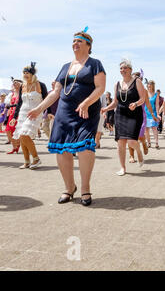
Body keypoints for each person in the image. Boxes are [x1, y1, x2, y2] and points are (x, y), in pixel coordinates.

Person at [28, 28, 106, 207]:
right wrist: (39, 109)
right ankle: (69, 188)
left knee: (85, 147)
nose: (75, 44)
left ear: (88, 45)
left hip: (86, 111)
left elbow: (100, 88)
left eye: (79, 41)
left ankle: (85, 188)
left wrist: (86, 102)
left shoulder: (95, 64)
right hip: (64, 112)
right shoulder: (65, 67)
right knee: (62, 149)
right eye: (73, 41)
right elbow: (55, 92)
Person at [101, 60, 147, 176]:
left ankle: (138, 151)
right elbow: (115, 102)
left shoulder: (137, 82)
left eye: (125, 68)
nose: (123, 70)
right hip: (120, 114)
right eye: (121, 68)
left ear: (130, 70)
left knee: (131, 141)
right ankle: (123, 167)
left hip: (134, 114)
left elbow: (143, 98)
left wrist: (136, 104)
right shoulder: (117, 84)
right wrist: (106, 108)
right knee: (121, 142)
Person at [12, 62, 48, 169]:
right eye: (24, 73)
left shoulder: (40, 85)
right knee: (21, 136)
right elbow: (19, 103)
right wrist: (14, 117)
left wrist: (49, 112)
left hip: (35, 112)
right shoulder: (22, 86)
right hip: (23, 113)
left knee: (24, 135)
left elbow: (46, 100)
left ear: (32, 74)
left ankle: (36, 159)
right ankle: (27, 161)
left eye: (27, 73)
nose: (25, 75)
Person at [128, 71, 149, 162]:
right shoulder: (127, 89)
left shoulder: (144, 91)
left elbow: (147, 104)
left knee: (140, 135)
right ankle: (131, 156)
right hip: (129, 115)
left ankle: (144, 143)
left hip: (141, 115)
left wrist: (153, 115)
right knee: (130, 136)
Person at [5, 79, 22, 154]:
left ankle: (17, 146)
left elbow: (20, 104)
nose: (14, 84)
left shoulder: (22, 92)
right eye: (13, 83)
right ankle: (15, 146)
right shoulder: (11, 94)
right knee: (8, 130)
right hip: (11, 114)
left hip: (19, 114)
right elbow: (8, 104)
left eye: (16, 83)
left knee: (16, 130)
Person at [144, 80, 160, 149]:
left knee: (154, 128)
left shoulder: (156, 94)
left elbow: (157, 105)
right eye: (148, 86)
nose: (149, 87)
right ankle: (149, 143)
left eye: (150, 86)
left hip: (153, 113)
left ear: (153, 86)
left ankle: (156, 143)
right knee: (146, 129)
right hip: (145, 113)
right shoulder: (145, 93)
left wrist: (158, 114)